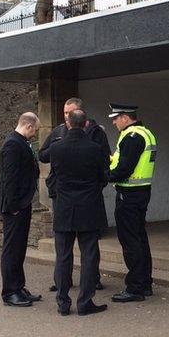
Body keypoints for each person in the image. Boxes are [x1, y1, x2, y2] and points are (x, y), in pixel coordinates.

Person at [39, 110, 108, 316]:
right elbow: (103, 176)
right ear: (85, 123)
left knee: (63, 255)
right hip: (89, 207)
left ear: (68, 123)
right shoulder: (94, 149)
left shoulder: (56, 148)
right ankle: (85, 302)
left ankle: (62, 302)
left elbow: (53, 173)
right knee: (89, 255)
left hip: (64, 206)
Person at [106, 103, 157, 303]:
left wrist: (105, 176)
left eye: (116, 118)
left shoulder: (132, 136)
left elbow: (125, 168)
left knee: (130, 241)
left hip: (129, 194)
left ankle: (134, 287)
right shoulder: (146, 133)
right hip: (141, 192)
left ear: (125, 118)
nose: (113, 121)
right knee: (140, 239)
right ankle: (144, 284)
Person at [0, 112, 41, 307]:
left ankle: (19, 286)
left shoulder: (20, 142)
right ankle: (10, 291)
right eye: (35, 131)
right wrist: (14, 206)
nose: (35, 135)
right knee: (12, 249)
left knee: (19, 248)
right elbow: (10, 179)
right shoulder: (13, 144)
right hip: (14, 206)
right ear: (29, 126)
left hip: (22, 203)